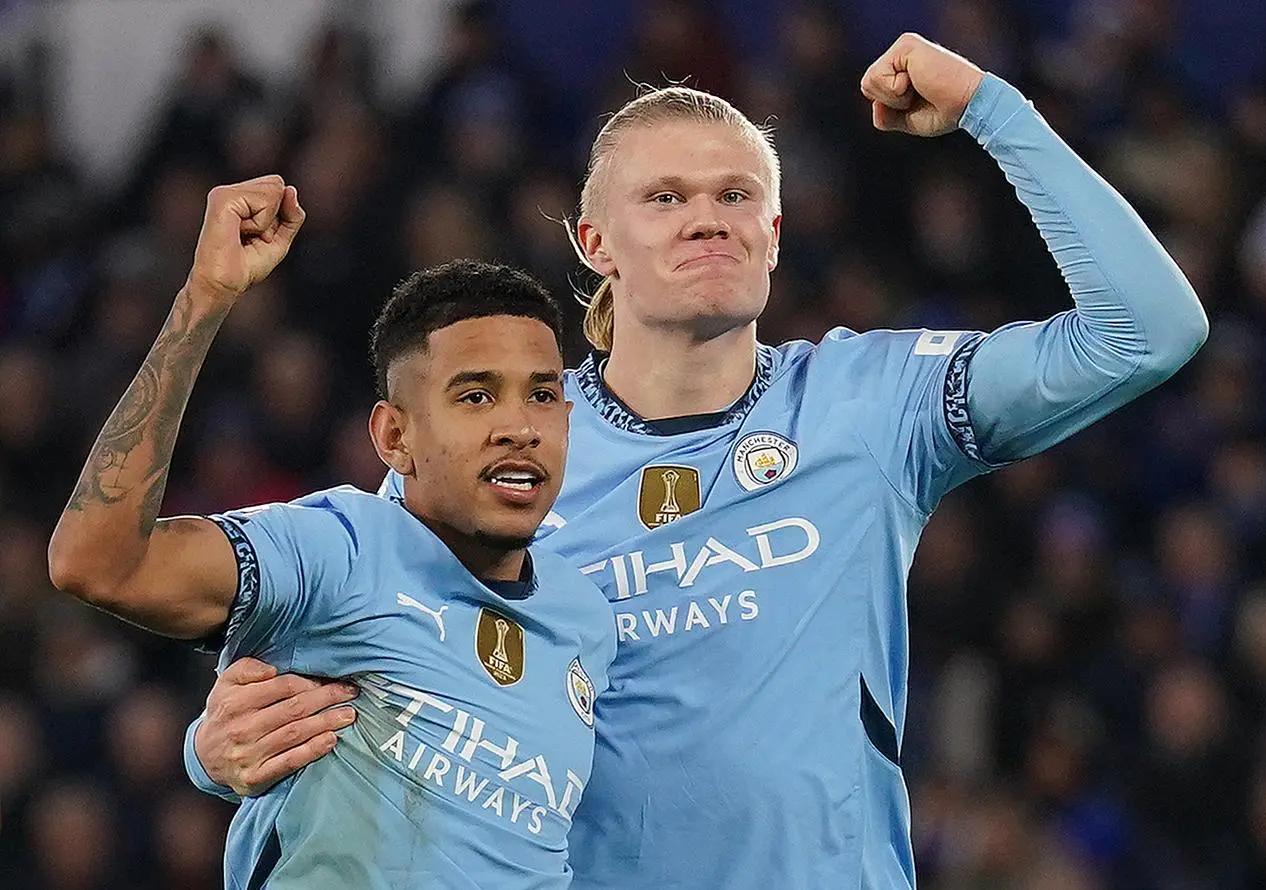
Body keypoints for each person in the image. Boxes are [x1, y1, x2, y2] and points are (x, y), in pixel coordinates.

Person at [183, 35, 1209, 889]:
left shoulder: (871, 402)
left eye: (734, 194)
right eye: (665, 197)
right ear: (594, 239)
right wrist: (214, 747)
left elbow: (1145, 332)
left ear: (772, 230)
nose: (706, 216)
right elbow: (328, 662)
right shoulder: (500, 450)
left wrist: (991, 107)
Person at [47, 175, 615, 889]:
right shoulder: (339, 546)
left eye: (542, 394)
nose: (519, 426)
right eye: (475, 395)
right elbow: (95, 563)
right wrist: (204, 299)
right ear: (394, 436)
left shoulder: (586, 619)